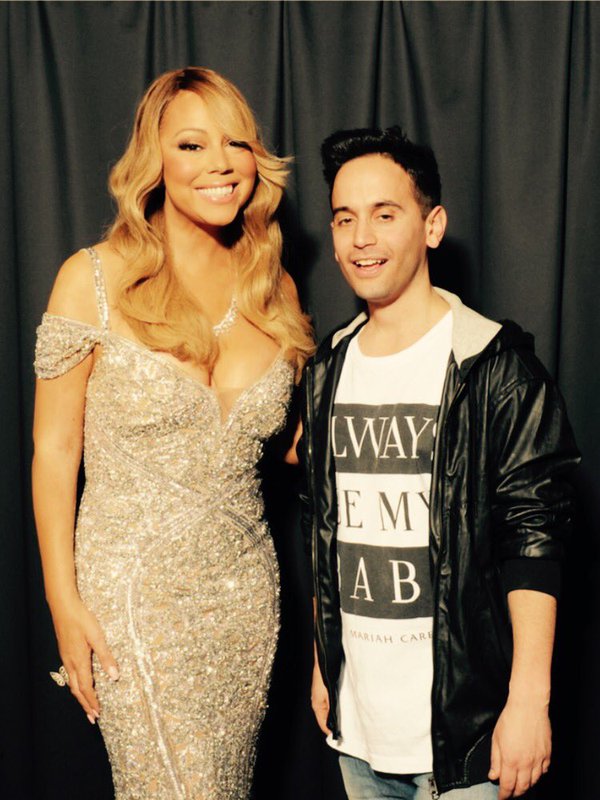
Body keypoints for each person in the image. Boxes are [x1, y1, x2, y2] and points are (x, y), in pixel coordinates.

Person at [32, 66, 313, 799]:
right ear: (153, 161)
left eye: (236, 143)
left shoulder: (274, 289)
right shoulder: (93, 280)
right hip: (130, 595)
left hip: (244, 597)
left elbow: (297, 445)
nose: (220, 163)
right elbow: (54, 452)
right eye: (192, 145)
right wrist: (63, 602)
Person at [299, 126, 579, 800]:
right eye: (345, 218)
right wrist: (321, 660)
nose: (361, 238)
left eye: (384, 214)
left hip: (467, 738)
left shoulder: (496, 368)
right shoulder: (327, 369)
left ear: (432, 226)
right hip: (359, 730)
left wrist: (529, 702)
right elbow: (323, 523)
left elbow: (534, 539)